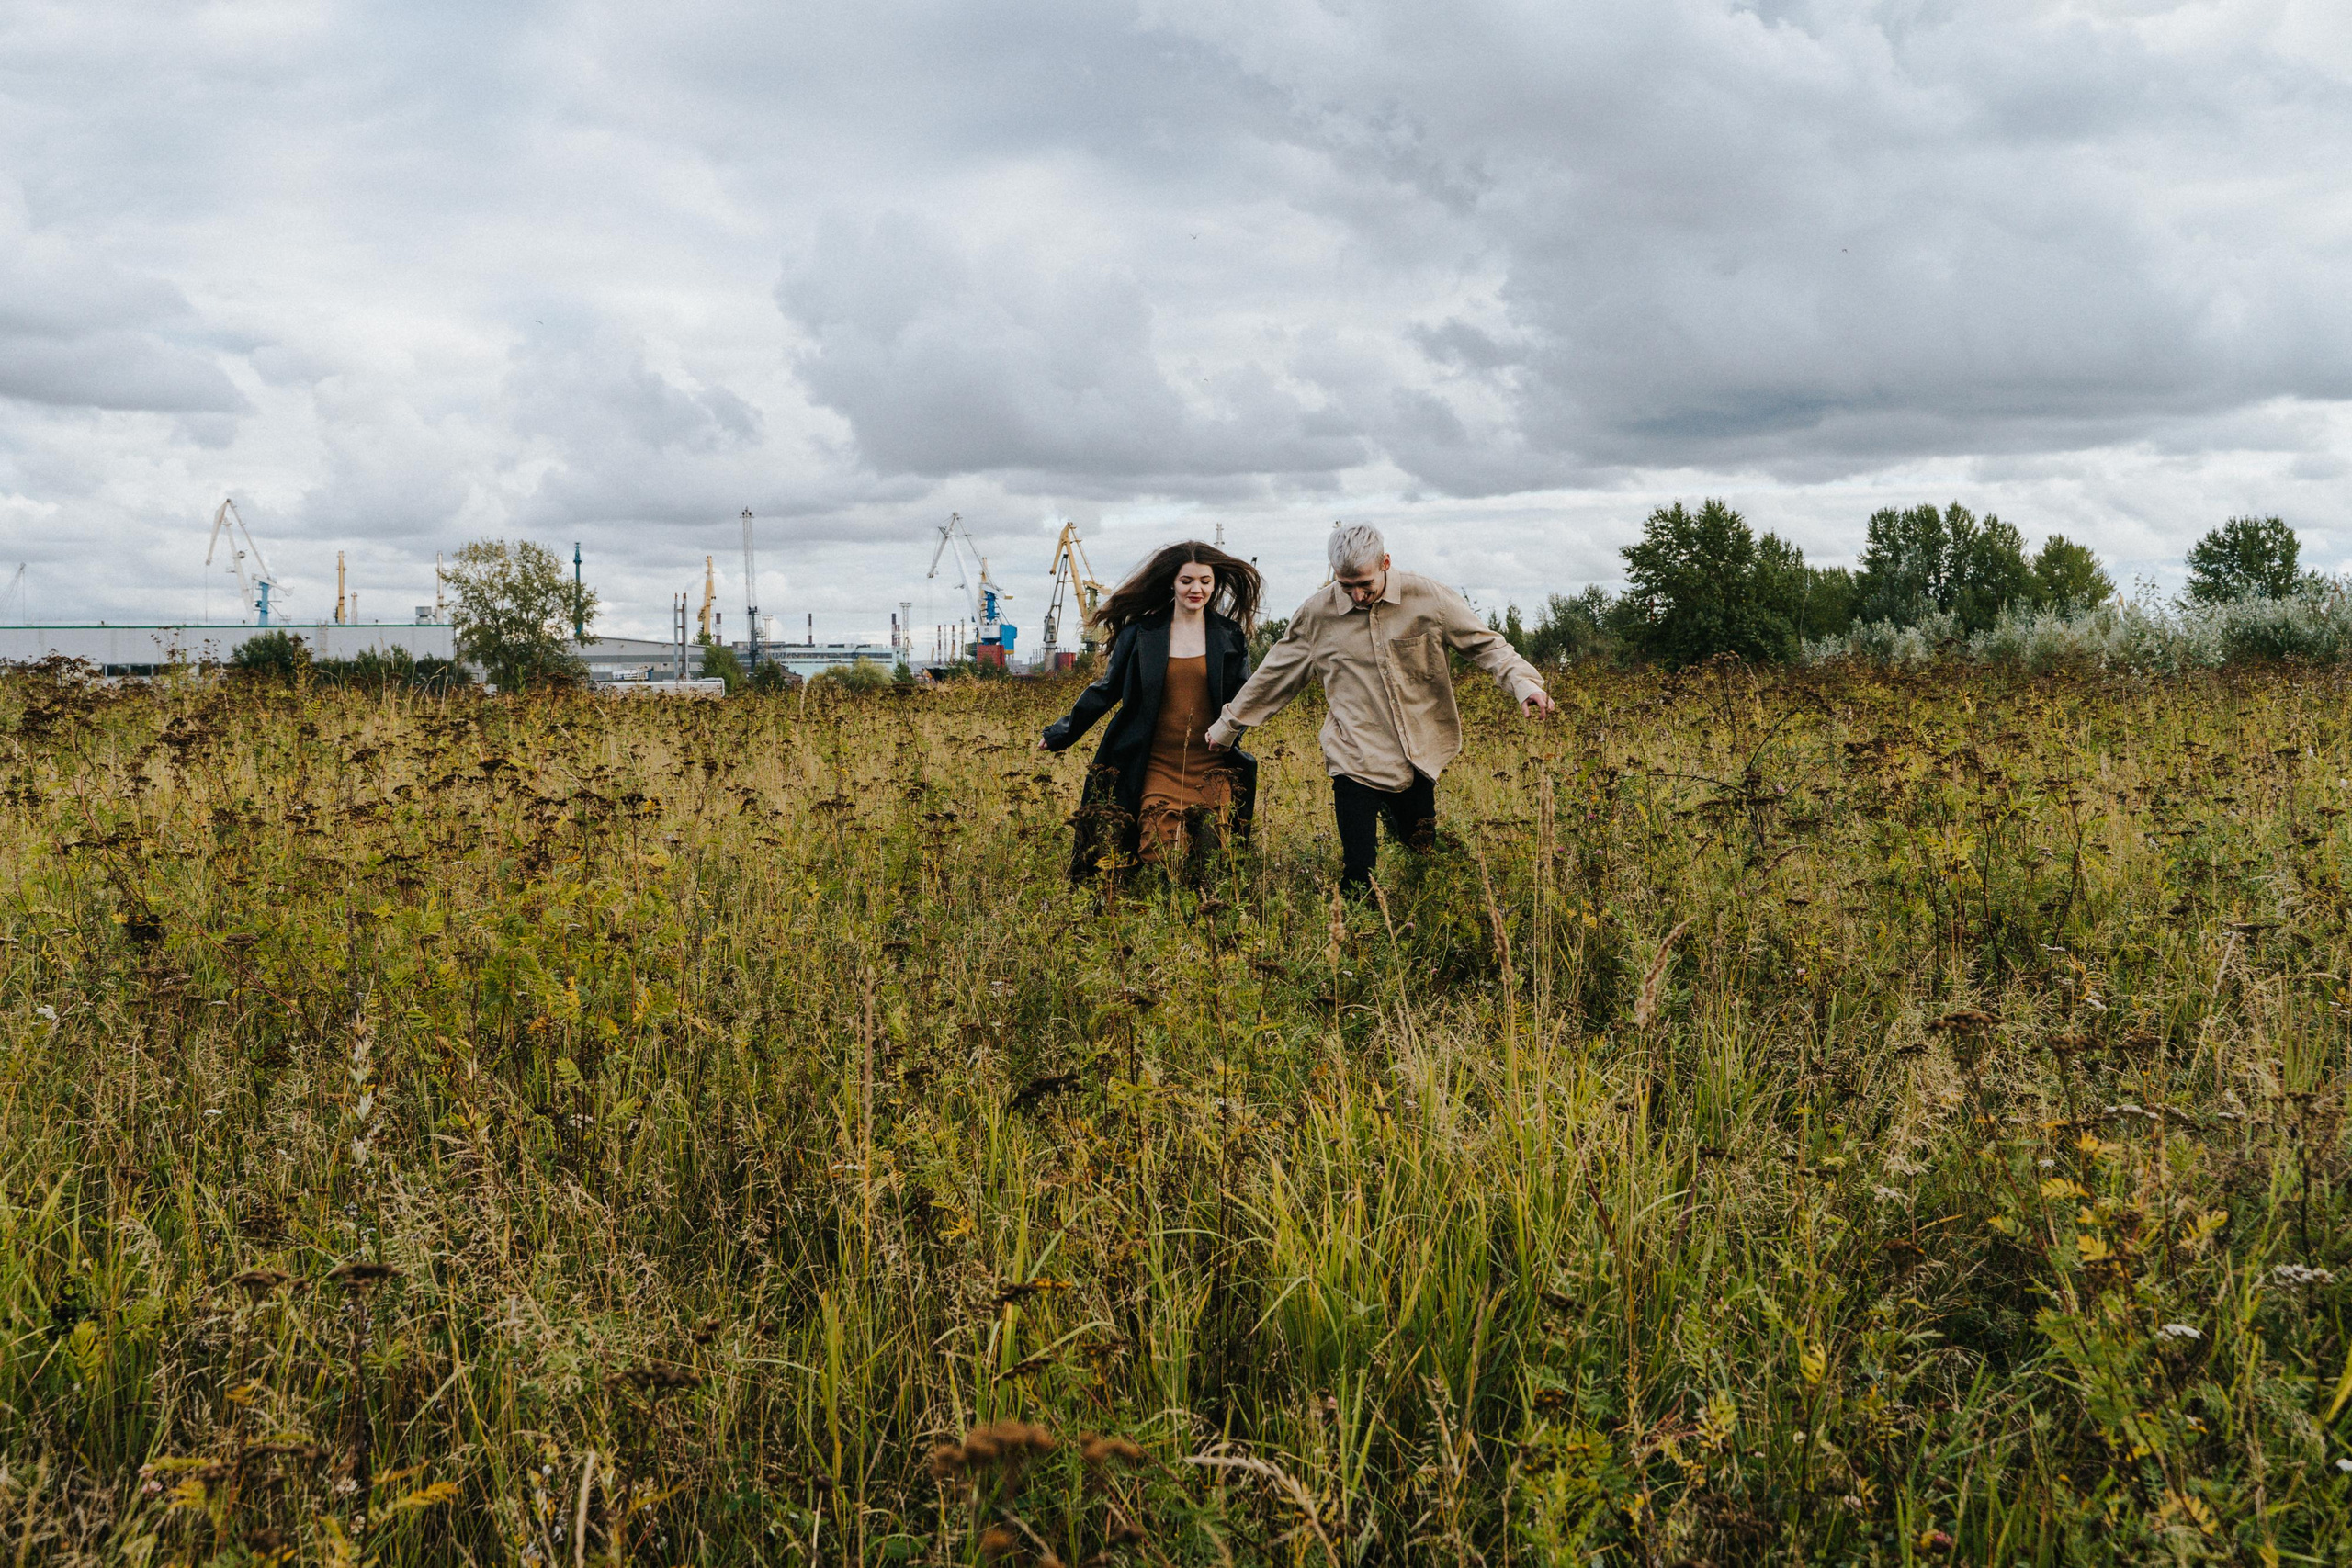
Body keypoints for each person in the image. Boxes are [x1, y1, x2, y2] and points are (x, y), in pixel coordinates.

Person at [1205, 522, 1553, 892]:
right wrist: (1229, 725)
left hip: (1415, 754)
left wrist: (1524, 684)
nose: (1357, 595)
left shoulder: (1429, 599)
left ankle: (1413, 921)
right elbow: (1275, 675)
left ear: (1385, 563)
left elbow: (1487, 646)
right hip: (1353, 754)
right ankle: (1353, 923)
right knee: (1358, 872)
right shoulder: (1317, 615)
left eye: (1365, 585)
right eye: (1345, 586)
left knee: (1421, 859)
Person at [1039, 542, 1261, 883]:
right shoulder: (1142, 634)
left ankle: (1200, 914)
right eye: (1187, 580)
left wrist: (1230, 733)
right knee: (1160, 850)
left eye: (1205, 581)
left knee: (1211, 859)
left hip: (1213, 765)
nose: (1196, 589)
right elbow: (1106, 689)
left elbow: (1243, 700)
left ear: (1214, 584)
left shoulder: (1228, 636)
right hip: (1158, 763)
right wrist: (1062, 732)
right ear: (1171, 582)